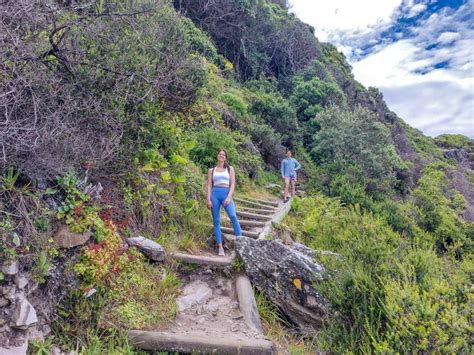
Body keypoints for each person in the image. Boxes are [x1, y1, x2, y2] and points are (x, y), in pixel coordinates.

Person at [206, 149, 242, 256]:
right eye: (220, 154)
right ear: (217, 156)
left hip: (226, 193)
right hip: (214, 194)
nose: (221, 155)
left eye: (223, 154)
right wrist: (208, 199)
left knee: (233, 216)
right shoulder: (211, 170)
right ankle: (220, 247)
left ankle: (241, 243)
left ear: (225, 157)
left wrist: (229, 197)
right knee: (216, 221)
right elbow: (209, 185)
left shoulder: (230, 169)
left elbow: (232, 184)